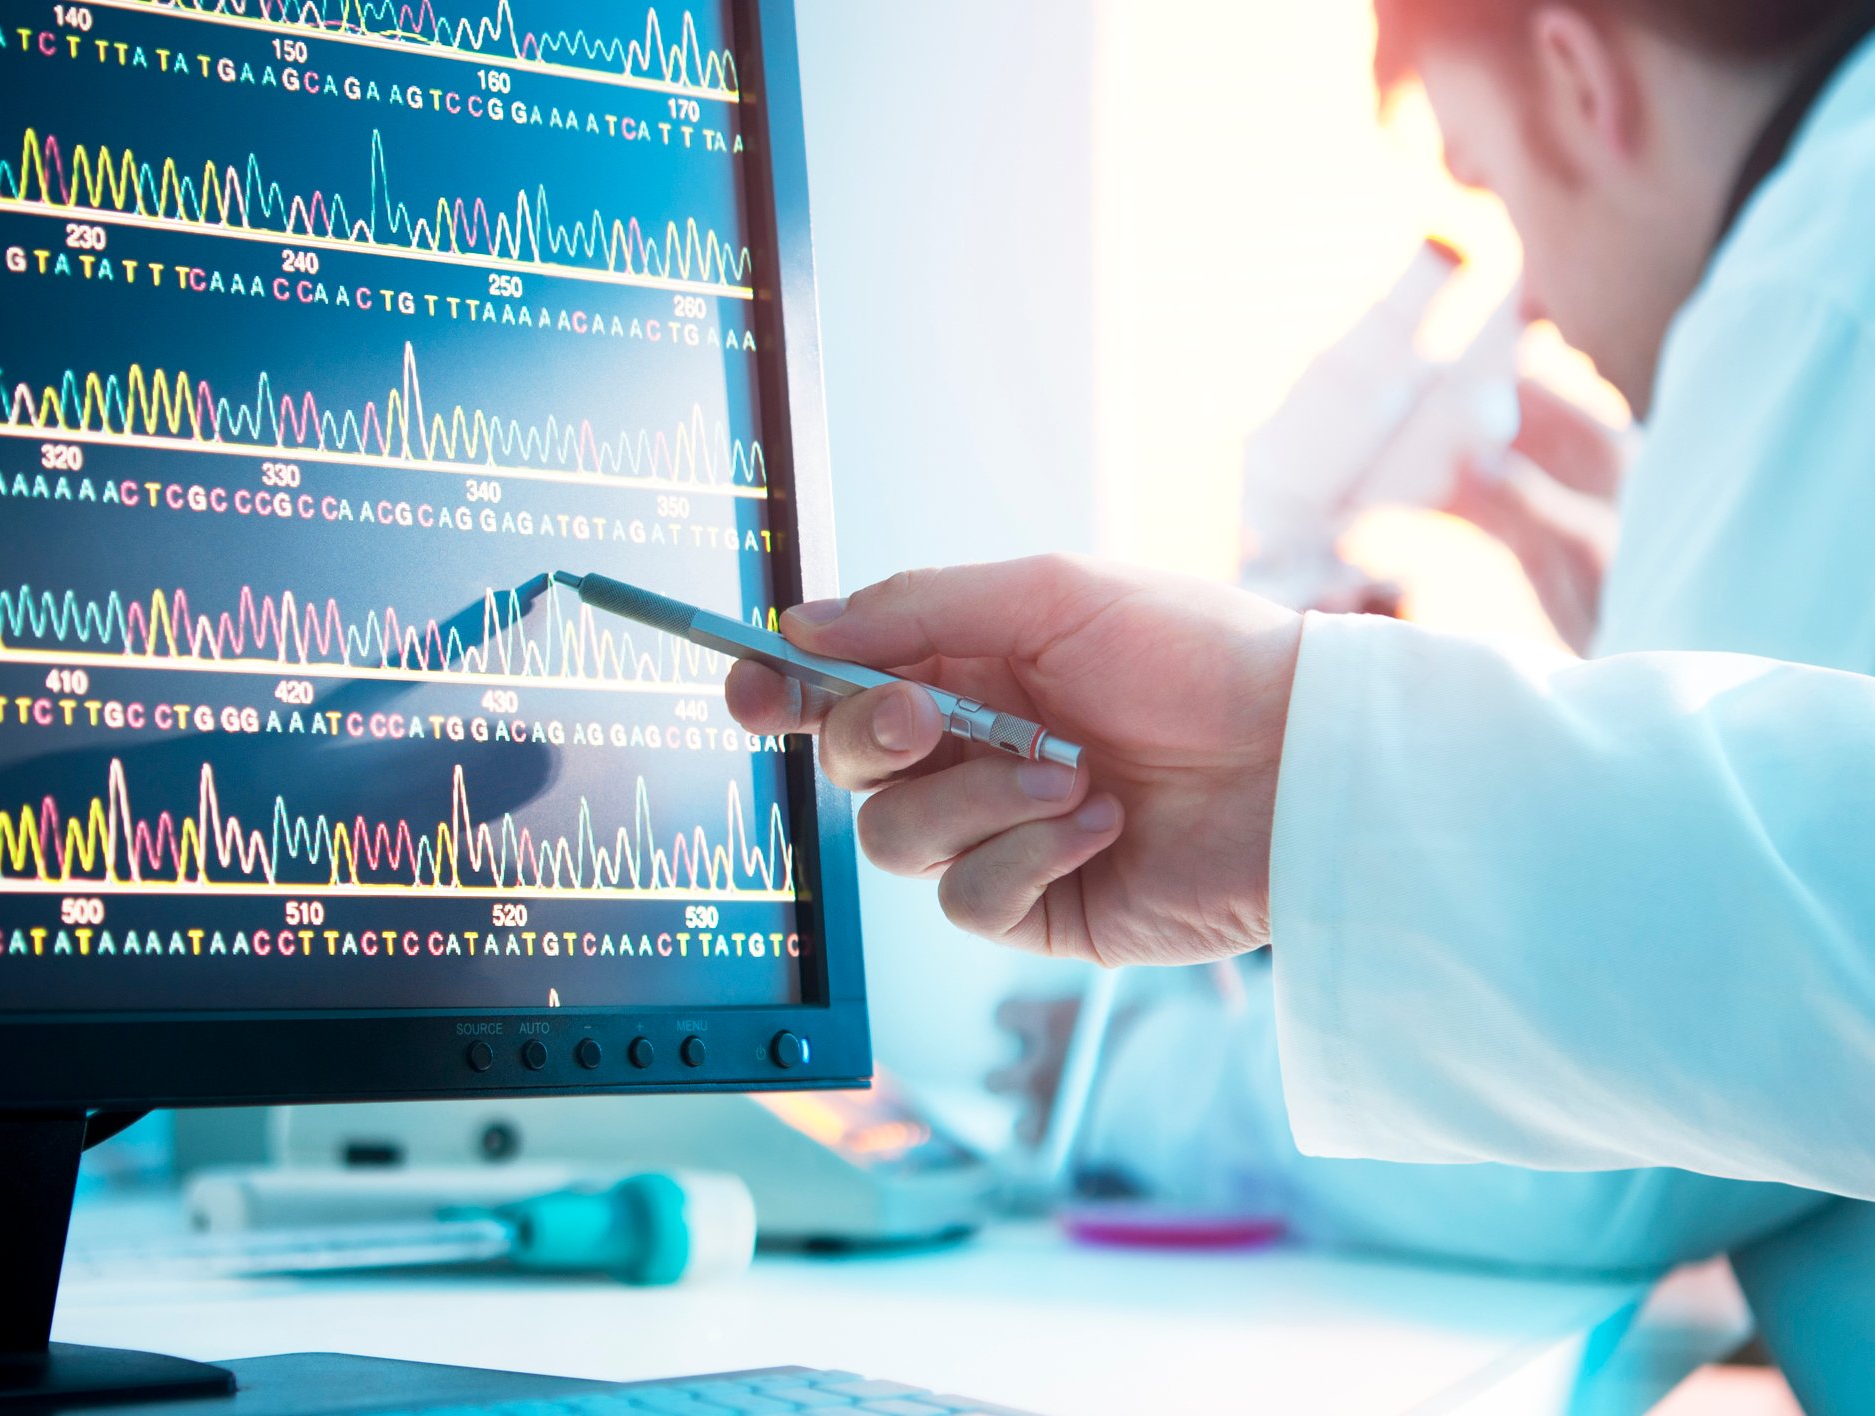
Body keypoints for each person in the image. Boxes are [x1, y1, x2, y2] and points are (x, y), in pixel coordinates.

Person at [731, 0, 1875, 1406]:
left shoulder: (1815, 277)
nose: (1544, 313)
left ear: (1579, 76)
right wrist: (1611, 724)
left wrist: (1125, 1086)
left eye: (1487, 176)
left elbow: (1627, 1169)